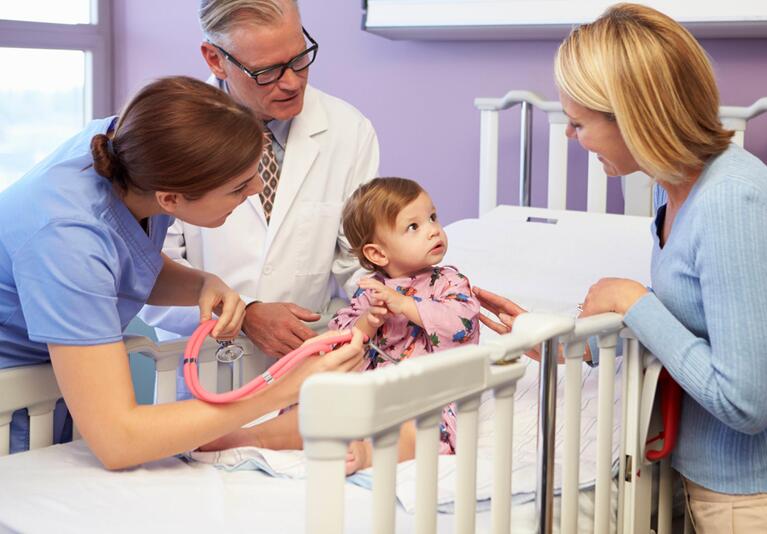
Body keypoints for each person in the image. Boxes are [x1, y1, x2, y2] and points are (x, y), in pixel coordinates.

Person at [477, 4, 767, 533]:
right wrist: (560, 338)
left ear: (633, 118)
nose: (571, 137)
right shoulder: (673, 185)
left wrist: (635, 302)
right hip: (725, 499)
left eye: (578, 123)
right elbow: (691, 329)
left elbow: (747, 402)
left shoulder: (731, 204)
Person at [0, 76, 364, 469]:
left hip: (47, 386)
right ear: (170, 199)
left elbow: (120, 262)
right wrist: (280, 388)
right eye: (239, 186)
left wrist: (202, 284)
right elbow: (119, 441)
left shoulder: (132, 150)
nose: (257, 188)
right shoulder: (66, 238)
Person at [140, 0, 380, 365]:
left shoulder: (349, 130)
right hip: (208, 365)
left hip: (308, 359)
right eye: (266, 71)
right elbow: (149, 276)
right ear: (215, 59)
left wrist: (411, 295)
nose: (292, 82)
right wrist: (245, 314)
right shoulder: (170, 135)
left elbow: (357, 261)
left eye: (300, 59)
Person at [202, 177, 480, 473]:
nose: (433, 230)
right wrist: (368, 322)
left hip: (421, 394)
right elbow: (341, 337)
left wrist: (405, 305)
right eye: (414, 226)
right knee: (312, 409)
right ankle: (253, 435)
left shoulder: (449, 282)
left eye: (433, 217)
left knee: (422, 428)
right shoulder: (369, 290)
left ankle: (366, 454)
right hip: (362, 389)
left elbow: (462, 322)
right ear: (377, 254)